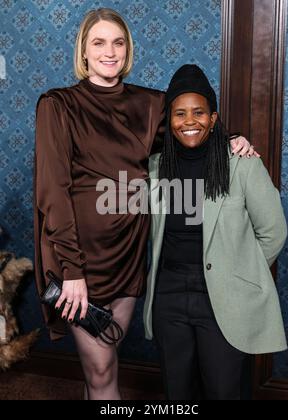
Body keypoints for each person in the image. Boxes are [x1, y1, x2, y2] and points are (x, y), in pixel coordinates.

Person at [34, 9, 255, 401]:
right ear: (83, 52)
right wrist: (71, 270)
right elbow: (53, 192)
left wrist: (231, 138)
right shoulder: (58, 105)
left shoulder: (151, 104)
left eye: (118, 42)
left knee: (104, 365)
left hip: (129, 253)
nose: (109, 51)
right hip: (81, 260)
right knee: (100, 369)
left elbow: (190, 131)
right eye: (98, 42)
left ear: (128, 49)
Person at [143, 64, 288, 400]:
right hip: (170, 293)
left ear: (213, 117)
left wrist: (237, 271)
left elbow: (273, 232)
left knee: (223, 389)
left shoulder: (240, 163)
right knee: (177, 390)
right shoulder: (154, 168)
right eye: (179, 113)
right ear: (169, 119)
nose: (189, 121)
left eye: (199, 112)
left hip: (223, 295)